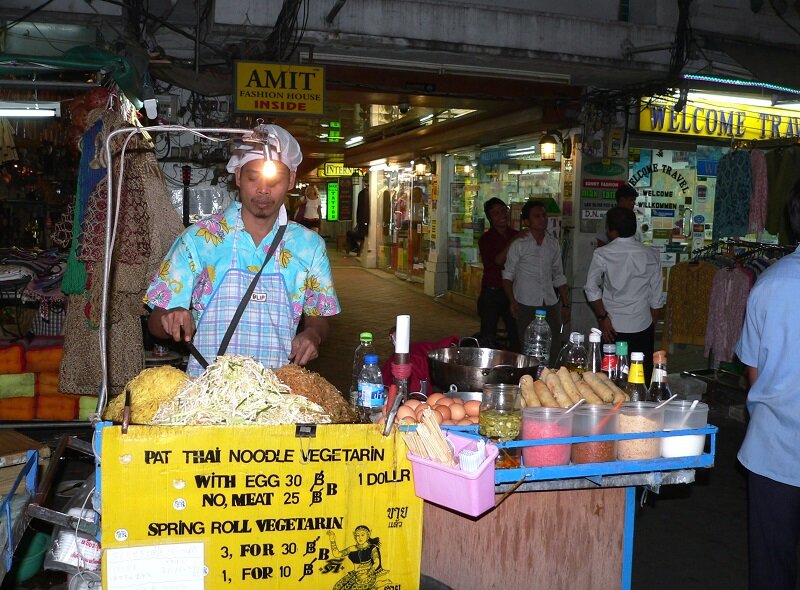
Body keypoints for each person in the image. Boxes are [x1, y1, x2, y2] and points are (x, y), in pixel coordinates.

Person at [145, 124, 340, 376]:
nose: (263, 189)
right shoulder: (199, 239)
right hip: (206, 394)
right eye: (252, 178)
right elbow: (155, 321)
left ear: (291, 180)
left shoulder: (309, 246)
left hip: (276, 393)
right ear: (237, 176)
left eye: (275, 180)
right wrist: (172, 318)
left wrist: (313, 334)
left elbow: (319, 316)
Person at [735, 180, 800, 590]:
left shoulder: (770, 284)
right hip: (772, 452)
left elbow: (752, 370)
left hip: (774, 451)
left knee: (773, 569)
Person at [584, 206, 663, 382]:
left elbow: (591, 287)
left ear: (611, 230)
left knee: (610, 380)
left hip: (611, 327)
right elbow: (656, 297)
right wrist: (651, 324)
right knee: (639, 378)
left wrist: (603, 318)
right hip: (642, 325)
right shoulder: (651, 254)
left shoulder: (602, 253)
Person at [502, 199, 570, 362]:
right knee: (529, 347)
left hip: (550, 303)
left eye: (544, 215)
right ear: (526, 221)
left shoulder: (552, 244)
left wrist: (566, 304)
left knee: (553, 346)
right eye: (537, 216)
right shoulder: (519, 244)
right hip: (525, 303)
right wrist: (512, 301)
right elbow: (507, 276)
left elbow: (558, 275)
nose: (542, 219)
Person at [477, 197, 521, 351]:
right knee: (488, 336)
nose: (501, 215)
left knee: (516, 333)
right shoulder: (486, 239)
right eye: (496, 213)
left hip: (513, 292)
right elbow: (498, 260)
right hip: (492, 292)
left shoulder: (516, 235)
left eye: (503, 211)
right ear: (490, 218)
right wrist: (513, 242)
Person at [327, 525, 384, 590]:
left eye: (362, 535)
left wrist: (368, 573)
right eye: (357, 535)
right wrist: (332, 541)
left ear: (368, 535)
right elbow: (337, 554)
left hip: (368, 575)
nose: (360, 538)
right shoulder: (352, 548)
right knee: (337, 587)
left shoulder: (372, 548)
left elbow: (376, 562)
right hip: (355, 574)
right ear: (355, 536)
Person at [346, 180, 370, 255]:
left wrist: (361, 223)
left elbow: (362, 209)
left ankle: (355, 248)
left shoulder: (364, 194)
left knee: (352, 234)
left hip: (363, 222)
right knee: (351, 234)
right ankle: (355, 248)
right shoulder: (364, 194)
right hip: (362, 222)